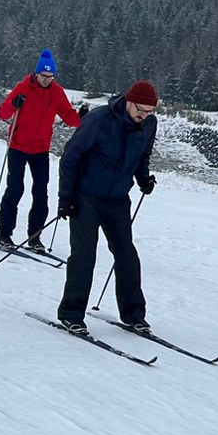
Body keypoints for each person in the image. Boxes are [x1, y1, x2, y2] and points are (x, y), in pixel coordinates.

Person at [55, 81, 160, 333]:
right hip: (86, 197)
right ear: (128, 100)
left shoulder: (148, 124)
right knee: (84, 255)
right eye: (140, 110)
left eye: (149, 112)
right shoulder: (98, 120)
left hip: (118, 200)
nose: (143, 117)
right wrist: (65, 198)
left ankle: (133, 314)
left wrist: (143, 178)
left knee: (127, 256)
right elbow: (70, 157)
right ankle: (71, 313)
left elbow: (141, 156)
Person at [0, 48, 81, 249]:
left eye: (51, 77)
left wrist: (82, 118)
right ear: (36, 73)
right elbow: (2, 113)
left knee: (41, 193)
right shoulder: (22, 88)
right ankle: (4, 235)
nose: (47, 80)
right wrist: (14, 104)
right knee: (15, 189)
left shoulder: (57, 92)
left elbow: (68, 116)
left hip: (40, 149)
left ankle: (35, 237)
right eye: (44, 76)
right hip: (17, 146)